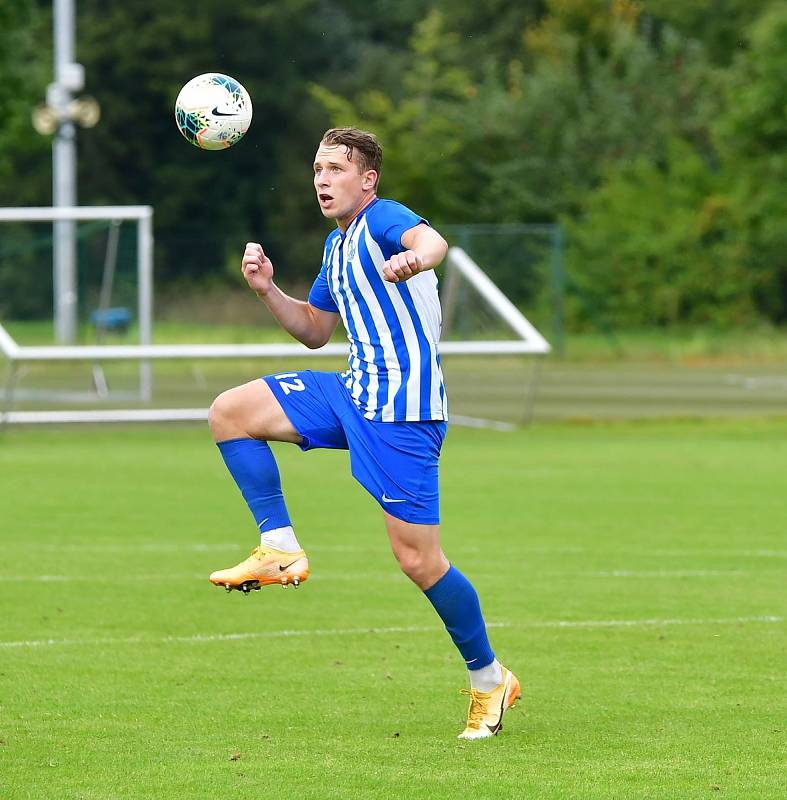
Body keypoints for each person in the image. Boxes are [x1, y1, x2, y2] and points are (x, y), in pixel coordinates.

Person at [207, 127, 520, 739]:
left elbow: (433, 242)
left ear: (366, 180)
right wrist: (268, 289)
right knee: (230, 413)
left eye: (334, 169)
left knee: (418, 560)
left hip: (404, 413)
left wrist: (415, 258)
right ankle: (279, 547)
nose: (321, 179)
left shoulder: (384, 219)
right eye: (316, 169)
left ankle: (490, 681)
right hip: (353, 392)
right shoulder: (336, 245)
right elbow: (316, 330)